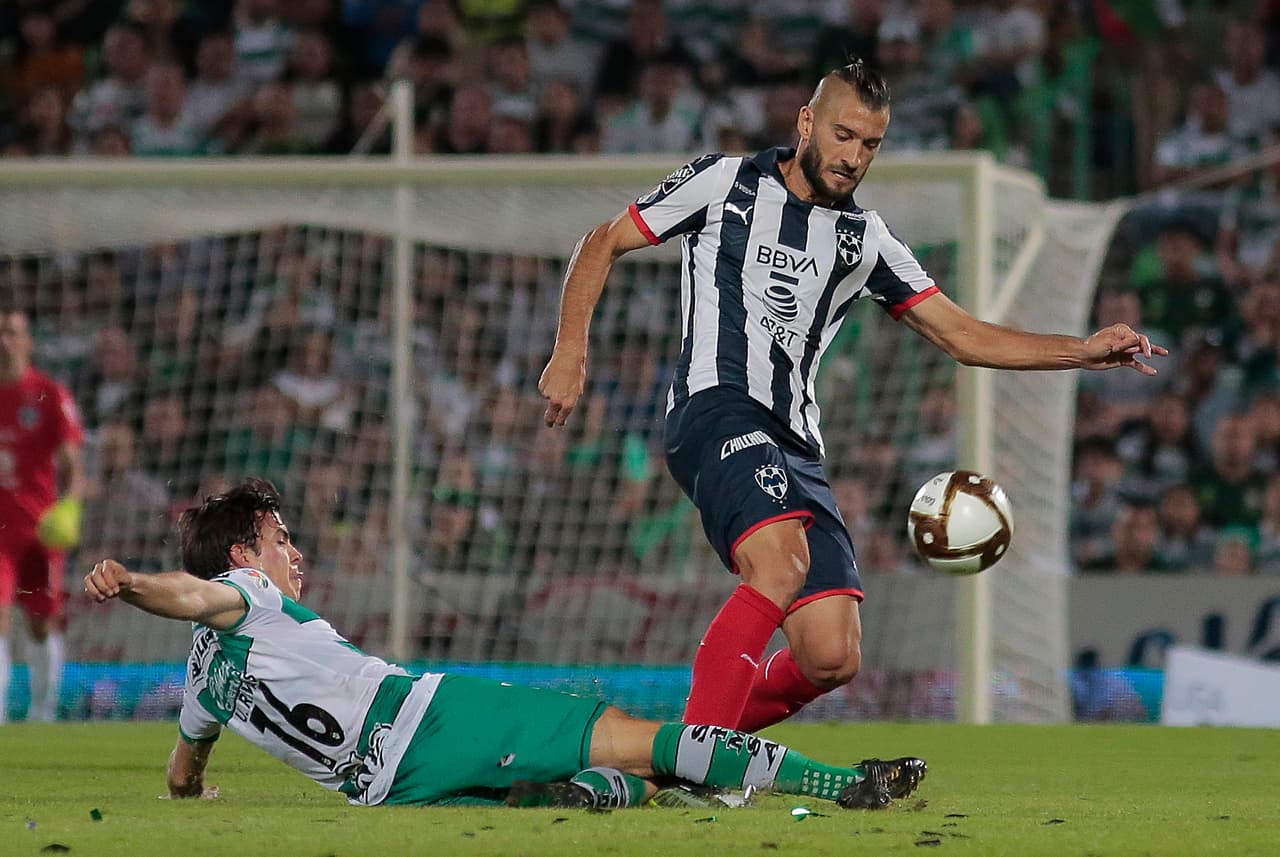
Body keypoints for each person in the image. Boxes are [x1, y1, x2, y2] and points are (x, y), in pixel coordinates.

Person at [538, 59, 1168, 732]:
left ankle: (661, 747)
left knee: (831, 654)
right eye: (843, 135)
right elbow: (602, 242)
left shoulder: (865, 239)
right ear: (807, 121)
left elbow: (961, 334)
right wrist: (571, 349)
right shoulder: (724, 182)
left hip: (796, 442)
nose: (854, 157)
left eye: (870, 144)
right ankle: (698, 761)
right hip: (713, 405)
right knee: (779, 565)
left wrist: (1083, 350)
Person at [83, 478, 926, 809]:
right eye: (279, 538)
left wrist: (196, 797)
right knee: (647, 737)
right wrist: (132, 583)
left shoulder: (204, 680)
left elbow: (181, 770)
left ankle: (588, 794)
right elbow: (189, 593)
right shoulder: (250, 595)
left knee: (595, 781)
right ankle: (845, 783)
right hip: (429, 714)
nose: (292, 554)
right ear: (243, 557)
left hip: (386, 790)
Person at [0, 306, 85, 723]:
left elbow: (71, 464)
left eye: (13, 332)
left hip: (39, 530)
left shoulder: (49, 394)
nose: (4, 341)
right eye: (0, 333)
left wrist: (69, 508)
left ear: (28, 341)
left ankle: (42, 714)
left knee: (40, 623)